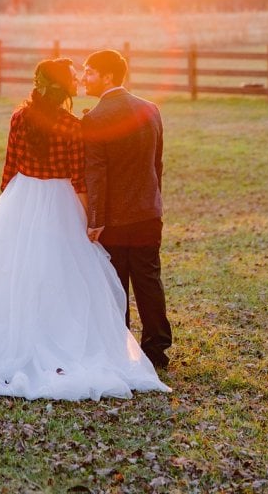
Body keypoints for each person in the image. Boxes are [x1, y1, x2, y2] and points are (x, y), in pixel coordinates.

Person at [0, 58, 169, 401]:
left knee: (18, 271)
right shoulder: (79, 123)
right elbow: (81, 176)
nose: (80, 79)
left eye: (86, 74)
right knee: (80, 275)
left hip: (23, 197)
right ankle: (131, 345)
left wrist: (10, 210)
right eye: (75, 76)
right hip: (69, 200)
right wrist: (86, 216)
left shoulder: (22, 117)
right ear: (63, 86)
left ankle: (34, 333)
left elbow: (9, 168)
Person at [82, 50, 172, 369]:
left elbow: (96, 173)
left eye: (89, 72)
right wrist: (153, 199)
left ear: (108, 77)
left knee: (115, 281)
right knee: (149, 278)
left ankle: (119, 343)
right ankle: (156, 348)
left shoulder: (94, 119)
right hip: (148, 211)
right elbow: (156, 163)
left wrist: (95, 220)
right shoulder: (150, 109)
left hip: (115, 219)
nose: (83, 78)